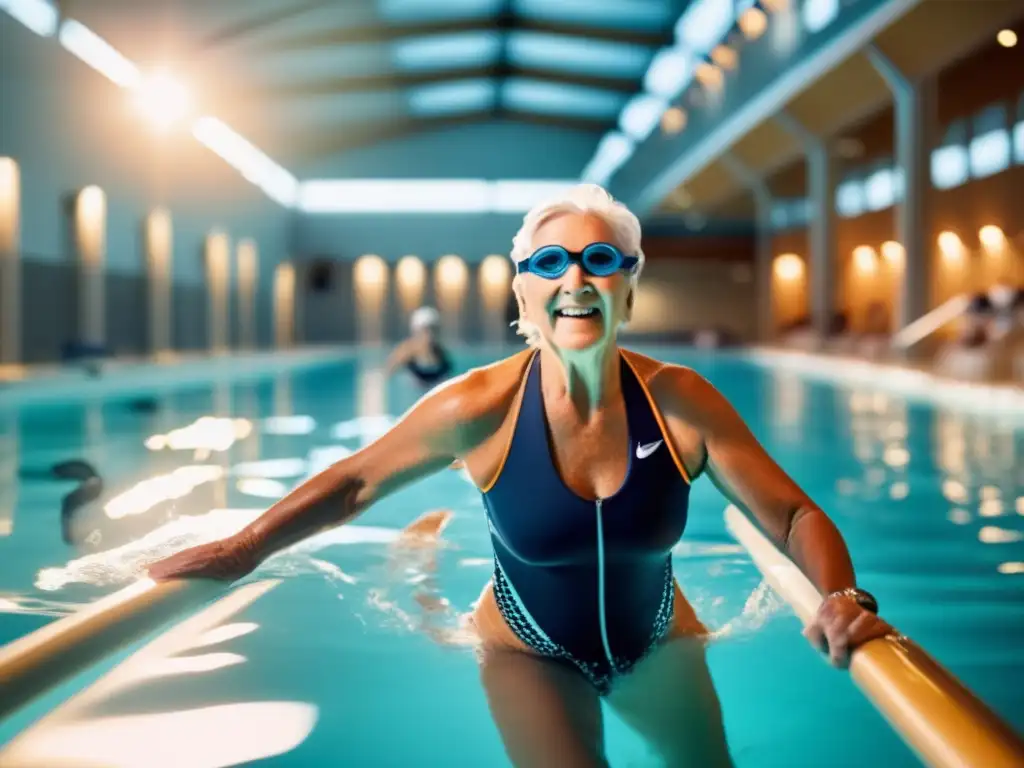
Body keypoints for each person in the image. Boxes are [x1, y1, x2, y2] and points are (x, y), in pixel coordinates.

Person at [149, 184, 893, 767]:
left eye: (600, 261)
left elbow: (793, 516)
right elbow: (352, 484)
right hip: (527, 650)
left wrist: (841, 595)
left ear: (628, 289)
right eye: (550, 263)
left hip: (662, 636)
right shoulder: (482, 407)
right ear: (524, 294)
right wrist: (240, 550)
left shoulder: (679, 403)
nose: (575, 276)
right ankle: (423, 560)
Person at [385, 306, 453, 386]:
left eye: (434, 330)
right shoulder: (405, 352)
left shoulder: (441, 354)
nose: (430, 335)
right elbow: (386, 376)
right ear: (416, 331)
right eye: (426, 330)